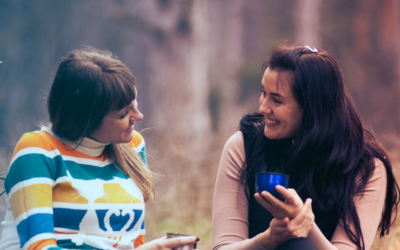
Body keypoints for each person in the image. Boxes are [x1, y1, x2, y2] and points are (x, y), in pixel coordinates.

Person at [0, 47, 199, 250]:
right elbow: (38, 247)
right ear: (85, 119)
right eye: (123, 113)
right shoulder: (38, 151)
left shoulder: (132, 146)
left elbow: (132, 239)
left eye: (135, 103)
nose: (138, 116)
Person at [212, 45, 400, 250]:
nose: (263, 107)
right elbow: (223, 247)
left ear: (312, 108)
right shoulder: (244, 147)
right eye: (263, 93)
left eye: (276, 100)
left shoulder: (366, 167)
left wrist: (307, 227)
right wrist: (266, 240)